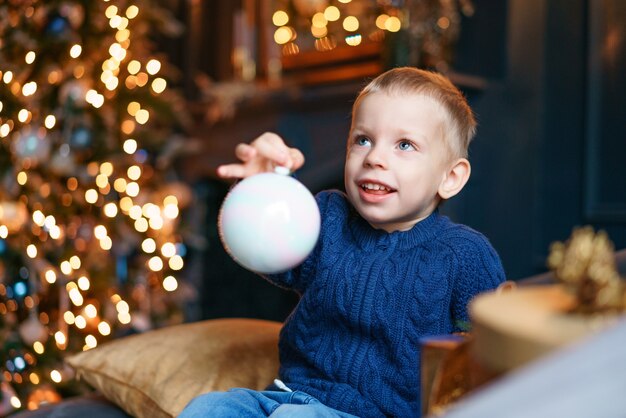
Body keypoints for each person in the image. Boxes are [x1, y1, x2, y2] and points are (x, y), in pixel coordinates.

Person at [179, 67, 506, 417]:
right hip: (290, 395)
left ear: (450, 177)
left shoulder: (464, 253)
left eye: (404, 145)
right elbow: (269, 255)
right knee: (209, 408)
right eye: (362, 139)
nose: (374, 157)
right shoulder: (328, 215)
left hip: (381, 414)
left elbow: (490, 352)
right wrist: (258, 189)